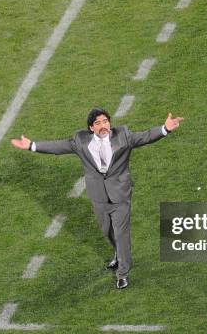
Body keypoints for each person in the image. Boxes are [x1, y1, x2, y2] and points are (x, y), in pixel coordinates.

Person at [11, 108, 183, 289]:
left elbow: (146, 136)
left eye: (105, 121)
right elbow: (59, 147)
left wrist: (165, 128)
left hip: (120, 195)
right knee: (107, 230)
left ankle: (123, 273)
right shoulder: (81, 140)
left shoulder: (123, 135)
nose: (103, 126)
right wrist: (32, 146)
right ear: (91, 128)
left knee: (122, 233)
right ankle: (117, 253)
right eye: (98, 123)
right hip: (98, 196)